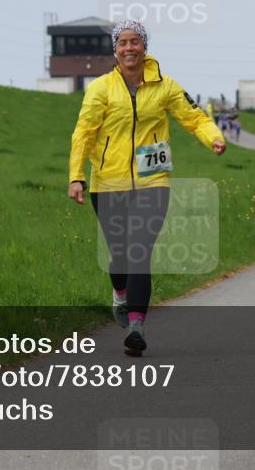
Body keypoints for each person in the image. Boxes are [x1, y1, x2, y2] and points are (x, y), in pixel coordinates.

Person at [68, 20, 225, 357]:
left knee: (139, 250)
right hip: (107, 182)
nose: (129, 48)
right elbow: (83, 133)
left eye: (135, 42)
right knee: (121, 255)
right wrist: (76, 176)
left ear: (145, 47)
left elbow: (194, 117)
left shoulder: (165, 86)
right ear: (115, 49)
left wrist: (214, 137)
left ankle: (137, 326)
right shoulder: (100, 89)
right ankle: (120, 294)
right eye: (123, 42)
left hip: (153, 181)